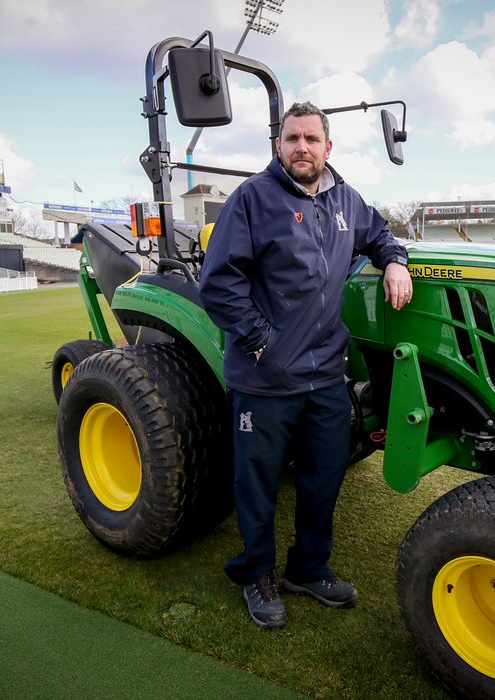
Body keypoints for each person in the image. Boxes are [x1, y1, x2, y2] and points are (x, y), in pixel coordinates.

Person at [199, 101, 413, 628]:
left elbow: (380, 233)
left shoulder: (345, 198)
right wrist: (264, 343)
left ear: (327, 147)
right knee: (258, 482)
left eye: (311, 139)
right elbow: (218, 285)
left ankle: (309, 568)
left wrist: (395, 262)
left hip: (324, 375)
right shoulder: (253, 199)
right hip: (265, 377)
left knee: (323, 477)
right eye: (292, 138)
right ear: (279, 145)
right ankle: (257, 573)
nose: (302, 148)